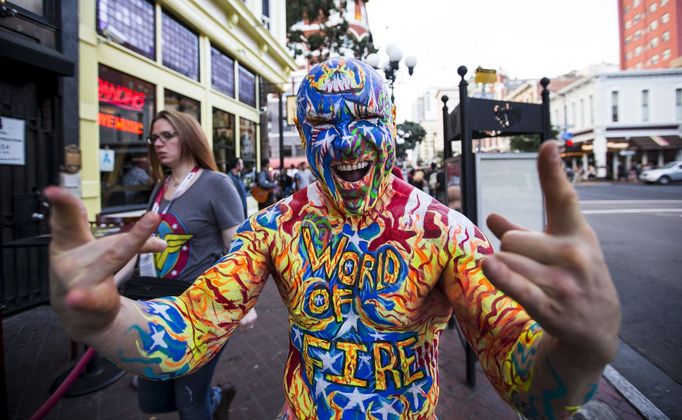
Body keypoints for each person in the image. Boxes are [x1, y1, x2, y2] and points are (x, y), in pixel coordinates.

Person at [45, 58, 620, 419]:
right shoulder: (274, 228)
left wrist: (578, 353)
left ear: (390, 124)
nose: (347, 143)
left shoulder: (442, 233)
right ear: (303, 133)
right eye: (324, 126)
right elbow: (189, 329)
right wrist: (106, 320)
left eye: (364, 119)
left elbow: (524, 381)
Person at [123, 110, 248, 419]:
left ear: (188, 137)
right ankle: (216, 397)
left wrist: (244, 299)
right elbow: (142, 246)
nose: (159, 144)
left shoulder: (216, 184)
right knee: (150, 401)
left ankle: (207, 401)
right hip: (157, 308)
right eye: (154, 138)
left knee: (190, 404)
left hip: (200, 311)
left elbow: (239, 248)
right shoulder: (159, 189)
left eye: (167, 136)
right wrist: (107, 281)